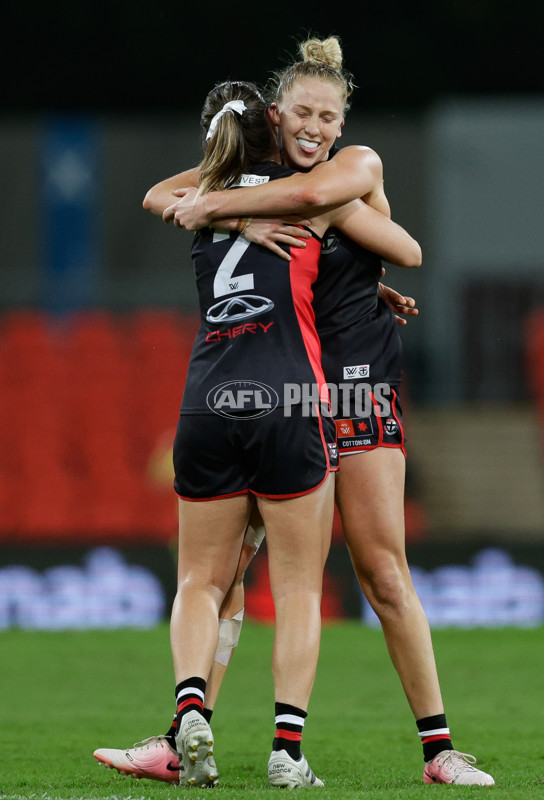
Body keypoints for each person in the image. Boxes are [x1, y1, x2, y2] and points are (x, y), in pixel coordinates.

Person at [94, 35, 495, 787]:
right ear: (276, 116)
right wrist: (237, 216)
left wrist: (217, 207)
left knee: (381, 571)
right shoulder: (257, 174)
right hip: (288, 386)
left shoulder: (351, 168)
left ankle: (439, 750)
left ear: (343, 124)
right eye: (302, 114)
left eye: (328, 117)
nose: (315, 128)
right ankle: (187, 740)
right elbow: (160, 196)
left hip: (354, 384)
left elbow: (395, 242)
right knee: (232, 575)